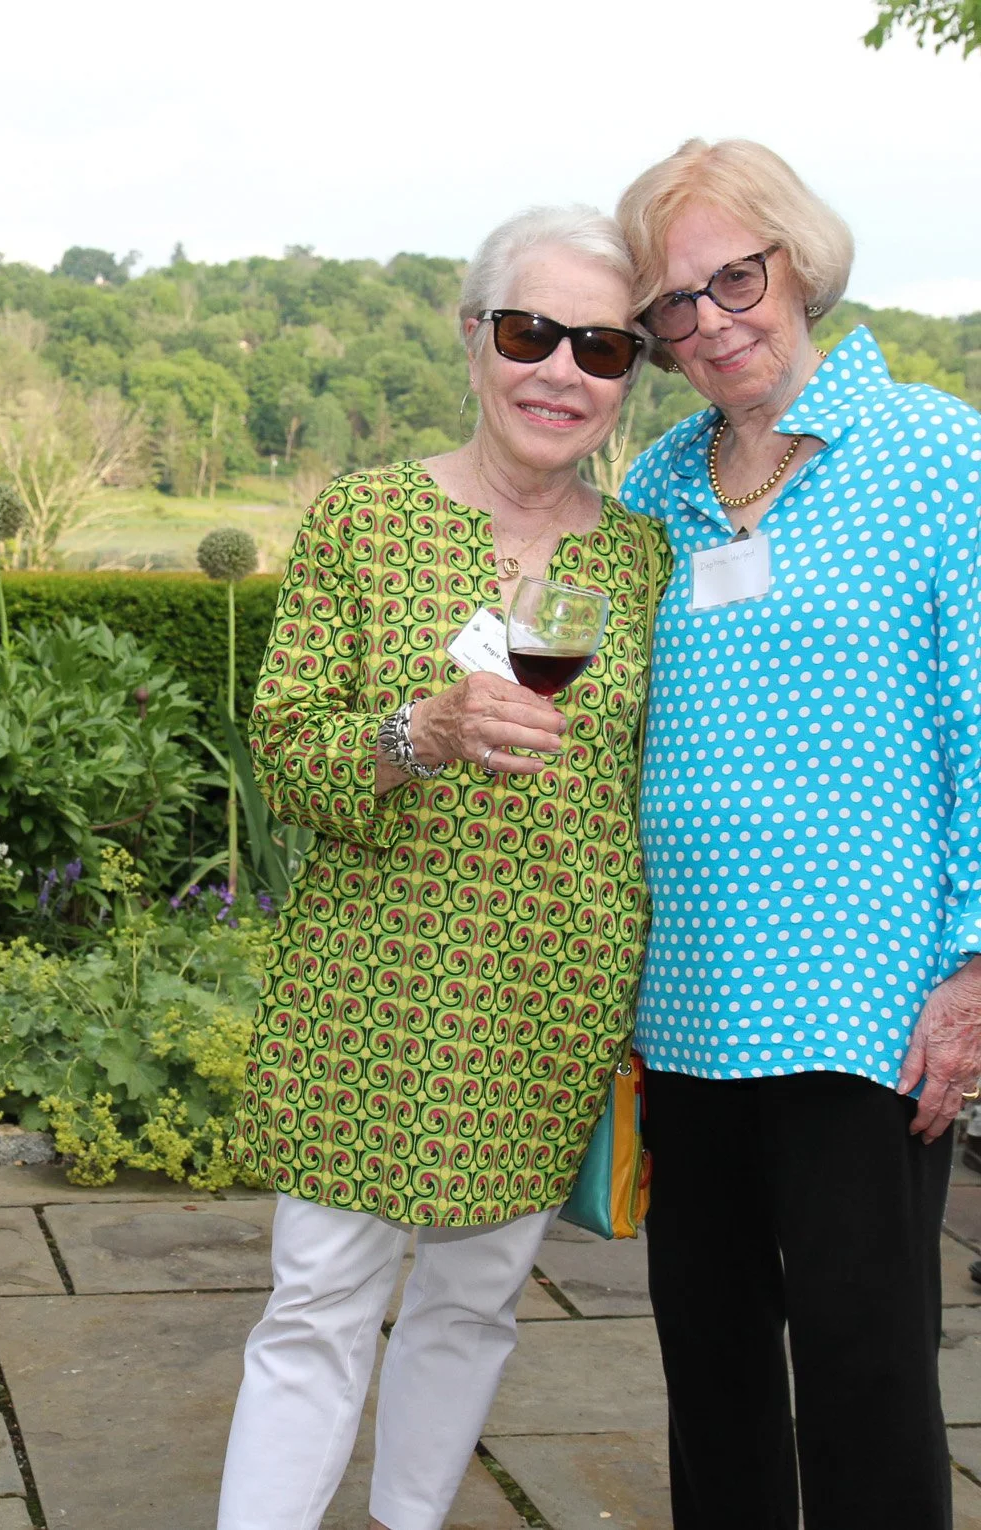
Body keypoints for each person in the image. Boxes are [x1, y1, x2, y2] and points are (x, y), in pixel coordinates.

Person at [218, 207, 669, 1530]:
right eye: (532, 331)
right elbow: (289, 760)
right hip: (374, 991)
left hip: (550, 997)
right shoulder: (365, 522)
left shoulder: (643, 557)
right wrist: (418, 733)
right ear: (473, 337)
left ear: (630, 370)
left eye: (602, 346)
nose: (561, 372)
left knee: (473, 1308)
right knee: (317, 1305)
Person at [614, 137, 981, 1530]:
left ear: (797, 261)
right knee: (707, 1371)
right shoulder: (657, 490)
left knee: (863, 1368)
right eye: (674, 307)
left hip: (865, 1003)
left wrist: (977, 964)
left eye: (735, 277)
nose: (711, 321)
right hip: (690, 1006)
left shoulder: (938, 453)